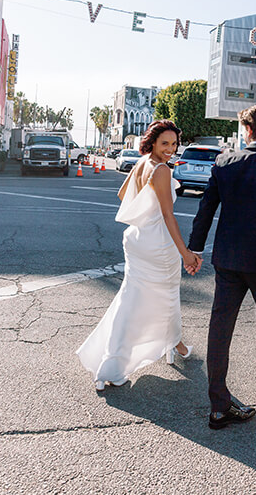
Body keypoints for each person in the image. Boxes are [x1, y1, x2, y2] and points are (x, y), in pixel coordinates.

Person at [188, 104, 256, 430]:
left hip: (226, 260)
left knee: (220, 329)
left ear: (247, 130)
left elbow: (206, 208)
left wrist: (195, 248)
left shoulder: (224, 162)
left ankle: (219, 407)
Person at [76, 120, 201, 391]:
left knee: (135, 298)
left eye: (174, 144)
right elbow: (168, 216)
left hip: (136, 238)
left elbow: (123, 195)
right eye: (164, 143)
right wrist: (186, 253)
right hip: (157, 243)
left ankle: (175, 345)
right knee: (162, 298)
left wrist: (145, 212)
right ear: (153, 143)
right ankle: (115, 364)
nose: (170, 149)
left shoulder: (141, 163)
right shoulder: (162, 171)